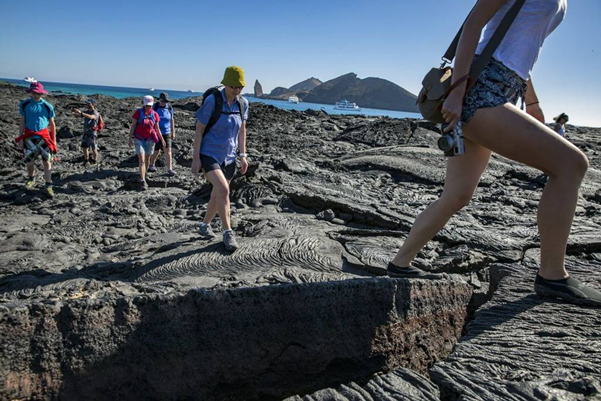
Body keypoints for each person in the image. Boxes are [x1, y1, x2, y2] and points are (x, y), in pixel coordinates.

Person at [388, 0, 601, 306]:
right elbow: (473, 24)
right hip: (480, 89)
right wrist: (458, 90)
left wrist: (532, 101)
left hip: (504, 88)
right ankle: (553, 275)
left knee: (457, 196)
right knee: (572, 164)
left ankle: (399, 265)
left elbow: (522, 48)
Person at [191, 66, 249, 251]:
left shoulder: (242, 104)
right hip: (210, 153)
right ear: (225, 84)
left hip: (230, 156)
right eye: (233, 86)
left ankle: (204, 226)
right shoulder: (212, 101)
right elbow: (199, 129)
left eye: (240, 86)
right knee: (224, 190)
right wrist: (195, 158)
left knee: (217, 195)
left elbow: (242, 131)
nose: (237, 90)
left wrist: (243, 155)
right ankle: (227, 232)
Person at [15, 82, 57, 197]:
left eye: (38, 93)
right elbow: (22, 122)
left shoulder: (48, 106)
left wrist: (54, 141)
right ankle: (31, 178)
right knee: (29, 162)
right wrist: (20, 139)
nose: (35, 95)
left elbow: (52, 125)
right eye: (34, 92)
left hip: (44, 138)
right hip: (29, 138)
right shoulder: (25, 104)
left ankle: (48, 185)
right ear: (31, 92)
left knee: (47, 162)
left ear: (41, 93)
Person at [128, 95, 165, 188]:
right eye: (147, 105)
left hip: (150, 140)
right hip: (139, 139)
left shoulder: (155, 114)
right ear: (144, 105)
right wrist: (129, 139)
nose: (148, 107)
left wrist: (162, 139)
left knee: (147, 159)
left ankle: (145, 173)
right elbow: (133, 126)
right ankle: (142, 179)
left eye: (150, 106)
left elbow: (157, 128)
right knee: (141, 159)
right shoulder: (138, 112)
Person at [148, 92, 176, 176]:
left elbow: (172, 120)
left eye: (166, 101)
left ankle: (170, 169)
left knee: (168, 150)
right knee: (156, 150)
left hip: (167, 132)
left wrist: (173, 131)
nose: (164, 102)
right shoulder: (155, 107)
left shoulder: (170, 108)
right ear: (159, 100)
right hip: (156, 132)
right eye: (163, 101)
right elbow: (149, 118)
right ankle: (152, 164)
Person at [73, 98, 100, 166]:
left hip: (92, 133)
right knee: (84, 147)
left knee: (94, 147)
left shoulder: (95, 112)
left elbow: (91, 117)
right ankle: (86, 160)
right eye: (87, 103)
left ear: (93, 104)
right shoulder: (87, 111)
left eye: (89, 103)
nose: (87, 104)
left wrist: (81, 113)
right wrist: (75, 113)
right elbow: (78, 115)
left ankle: (95, 161)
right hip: (86, 132)